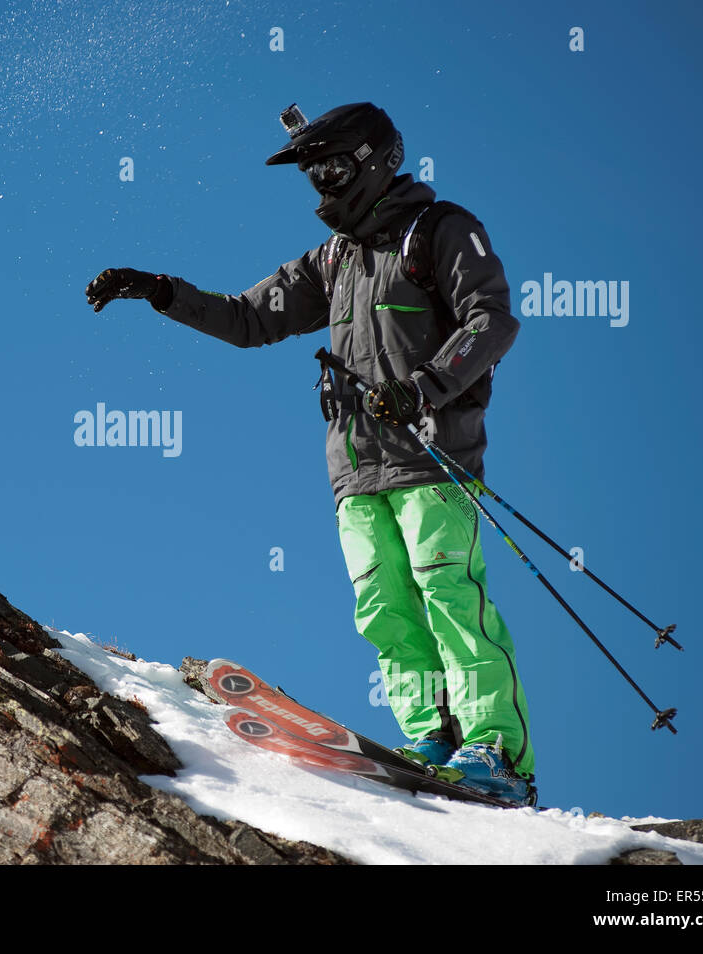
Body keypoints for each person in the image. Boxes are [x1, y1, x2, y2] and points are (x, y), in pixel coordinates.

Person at [85, 102, 536, 805]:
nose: (321, 184)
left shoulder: (441, 230)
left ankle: (496, 751)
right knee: (384, 607)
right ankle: (431, 739)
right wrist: (161, 292)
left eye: (330, 167)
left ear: (374, 161)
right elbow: (248, 318)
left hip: (432, 458)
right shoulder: (334, 259)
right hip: (354, 470)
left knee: (448, 593)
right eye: (313, 172)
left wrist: (424, 389)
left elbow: (493, 318)